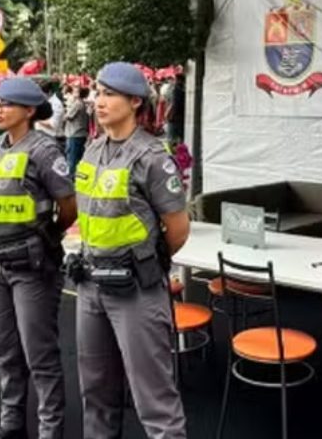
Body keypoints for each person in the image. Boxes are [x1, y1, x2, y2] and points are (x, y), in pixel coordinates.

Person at [72, 62, 191, 439]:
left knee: (154, 400)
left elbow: (178, 230)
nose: (98, 101)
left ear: (135, 102)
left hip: (136, 292)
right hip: (91, 286)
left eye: (109, 94)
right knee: (96, 391)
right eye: (96, 93)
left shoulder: (152, 157)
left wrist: (144, 262)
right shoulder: (92, 151)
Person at [0, 77, 77, 439]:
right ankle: (12, 421)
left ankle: (50, 429)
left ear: (29, 111)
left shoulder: (44, 151)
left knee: (40, 354)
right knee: (5, 350)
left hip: (32, 269)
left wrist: (48, 235)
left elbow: (69, 206)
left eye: (7, 103)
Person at [63, 85, 91, 178]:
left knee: (72, 159)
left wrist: (64, 114)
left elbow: (68, 116)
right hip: (81, 133)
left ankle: (70, 179)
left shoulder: (77, 104)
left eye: (75, 91)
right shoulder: (82, 103)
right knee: (78, 158)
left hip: (74, 133)